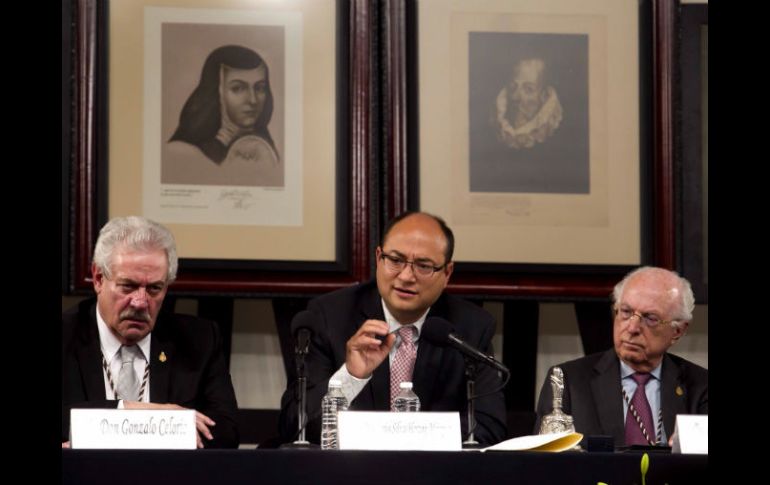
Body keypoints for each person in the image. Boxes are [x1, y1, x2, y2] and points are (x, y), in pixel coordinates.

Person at [278, 212, 507, 446]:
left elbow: (489, 428)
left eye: (423, 266)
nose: (406, 276)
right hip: (350, 475)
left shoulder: (470, 327)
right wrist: (351, 376)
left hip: (432, 476)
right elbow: (295, 425)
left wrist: (407, 443)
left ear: (447, 273)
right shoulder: (329, 317)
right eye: (395, 260)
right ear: (379, 258)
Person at [62, 216, 239, 448]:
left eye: (154, 288)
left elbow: (226, 432)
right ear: (98, 279)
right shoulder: (66, 335)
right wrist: (149, 414)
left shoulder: (199, 340)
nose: (140, 302)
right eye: (128, 286)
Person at [533, 266, 708, 447]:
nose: (632, 328)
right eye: (625, 312)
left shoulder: (701, 386)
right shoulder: (566, 381)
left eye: (650, 318)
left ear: (678, 331)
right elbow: (546, 464)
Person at [165, 44, 281, 186]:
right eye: (237, 88)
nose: (253, 100)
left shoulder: (265, 149)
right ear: (217, 91)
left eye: (260, 88)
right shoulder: (182, 152)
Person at [491, 57, 563, 149]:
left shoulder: (555, 137)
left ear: (544, 96)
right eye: (513, 86)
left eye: (528, 89)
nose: (515, 97)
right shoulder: (499, 126)